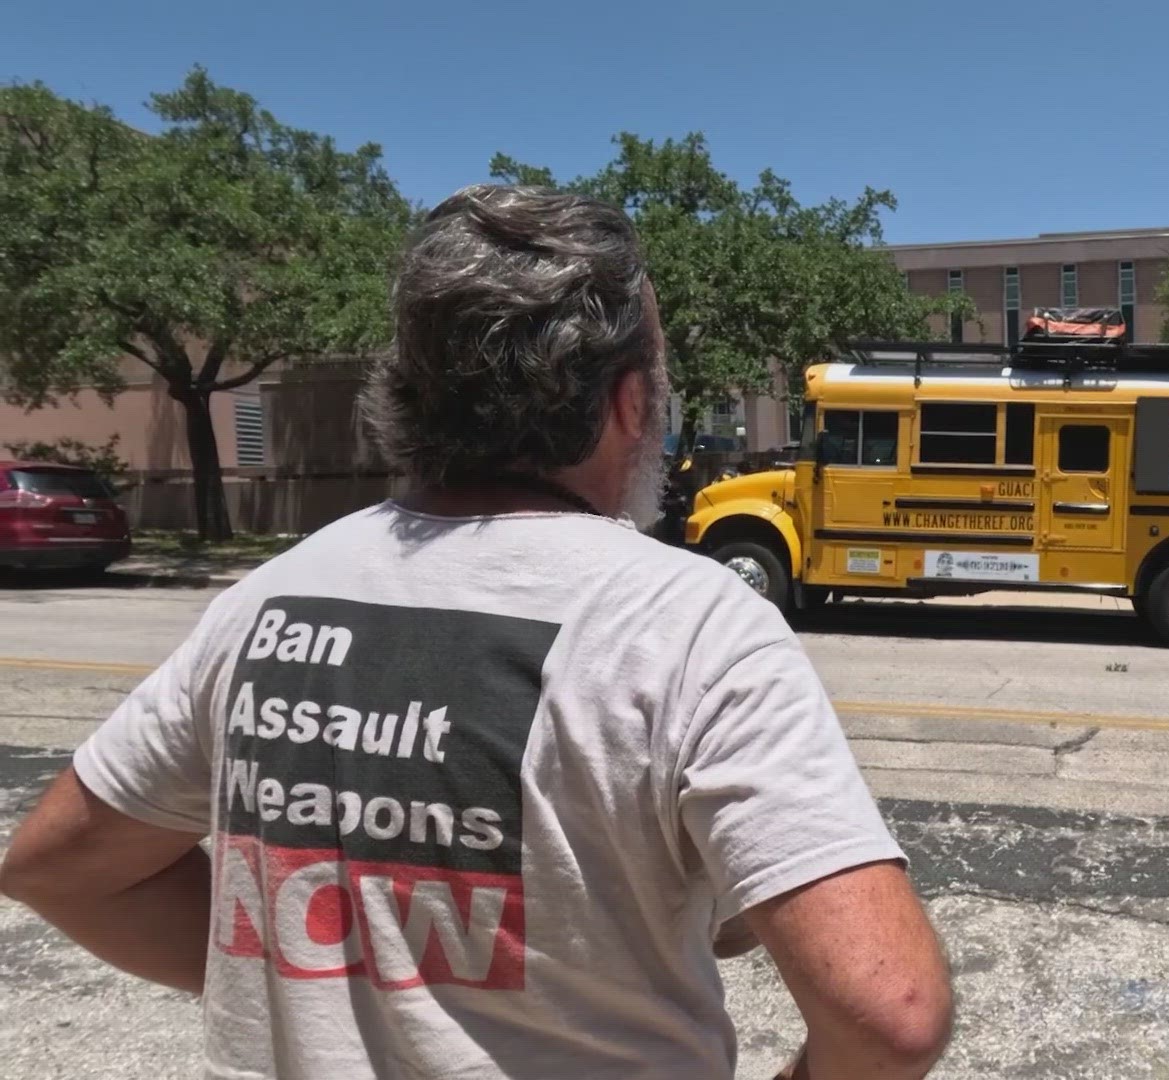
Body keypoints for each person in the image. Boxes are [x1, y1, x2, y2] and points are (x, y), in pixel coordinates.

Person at [0, 185, 953, 1079]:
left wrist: (332, 975)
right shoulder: (691, 622)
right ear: (628, 403)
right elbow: (889, 1010)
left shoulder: (271, 600)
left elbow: (60, 869)